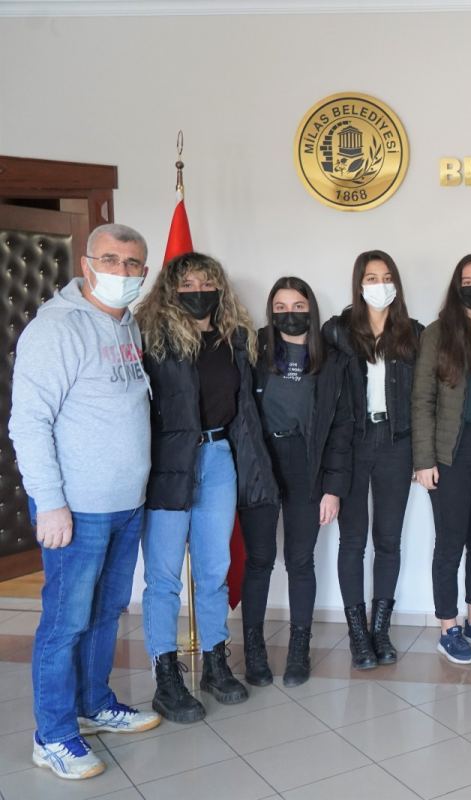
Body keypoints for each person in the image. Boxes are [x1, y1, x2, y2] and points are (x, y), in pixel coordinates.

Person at [11, 224, 159, 780]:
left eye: (132, 263)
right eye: (111, 260)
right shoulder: (56, 328)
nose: (122, 271)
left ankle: (93, 704)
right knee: (65, 623)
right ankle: (51, 735)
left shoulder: (127, 324)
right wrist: (49, 503)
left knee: (105, 613)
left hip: (126, 503)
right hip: (76, 509)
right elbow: (29, 423)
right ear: (87, 263)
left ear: (144, 273)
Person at [138, 252, 276, 722]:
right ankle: (166, 675)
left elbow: (243, 408)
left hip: (218, 458)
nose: (198, 291)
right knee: (163, 576)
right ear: (170, 289)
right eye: (188, 284)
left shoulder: (234, 338)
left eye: (206, 283)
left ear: (219, 288)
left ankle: (216, 661)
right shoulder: (151, 337)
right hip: (168, 462)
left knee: (214, 569)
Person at [240, 277, 353, 687]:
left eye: (298, 306)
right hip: (261, 462)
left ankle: (298, 649)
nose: (290, 314)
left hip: (308, 466)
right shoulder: (253, 349)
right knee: (259, 559)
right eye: (281, 307)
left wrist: (333, 488)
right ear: (271, 312)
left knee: (300, 561)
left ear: (311, 309)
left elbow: (341, 428)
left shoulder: (332, 361)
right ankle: (254, 650)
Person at [323, 251, 424, 670]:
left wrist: (422, 454)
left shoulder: (413, 333)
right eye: (370, 277)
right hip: (354, 442)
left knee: (388, 539)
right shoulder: (337, 332)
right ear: (358, 283)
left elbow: (422, 398)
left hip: (396, 443)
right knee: (352, 540)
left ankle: (380, 629)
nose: (379, 285)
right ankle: (357, 635)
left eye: (386, 277)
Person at [413, 254, 471, 664]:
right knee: (450, 541)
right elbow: (422, 399)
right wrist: (423, 460)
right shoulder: (437, 334)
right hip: (449, 450)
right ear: (457, 288)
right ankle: (448, 627)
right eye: (468, 281)